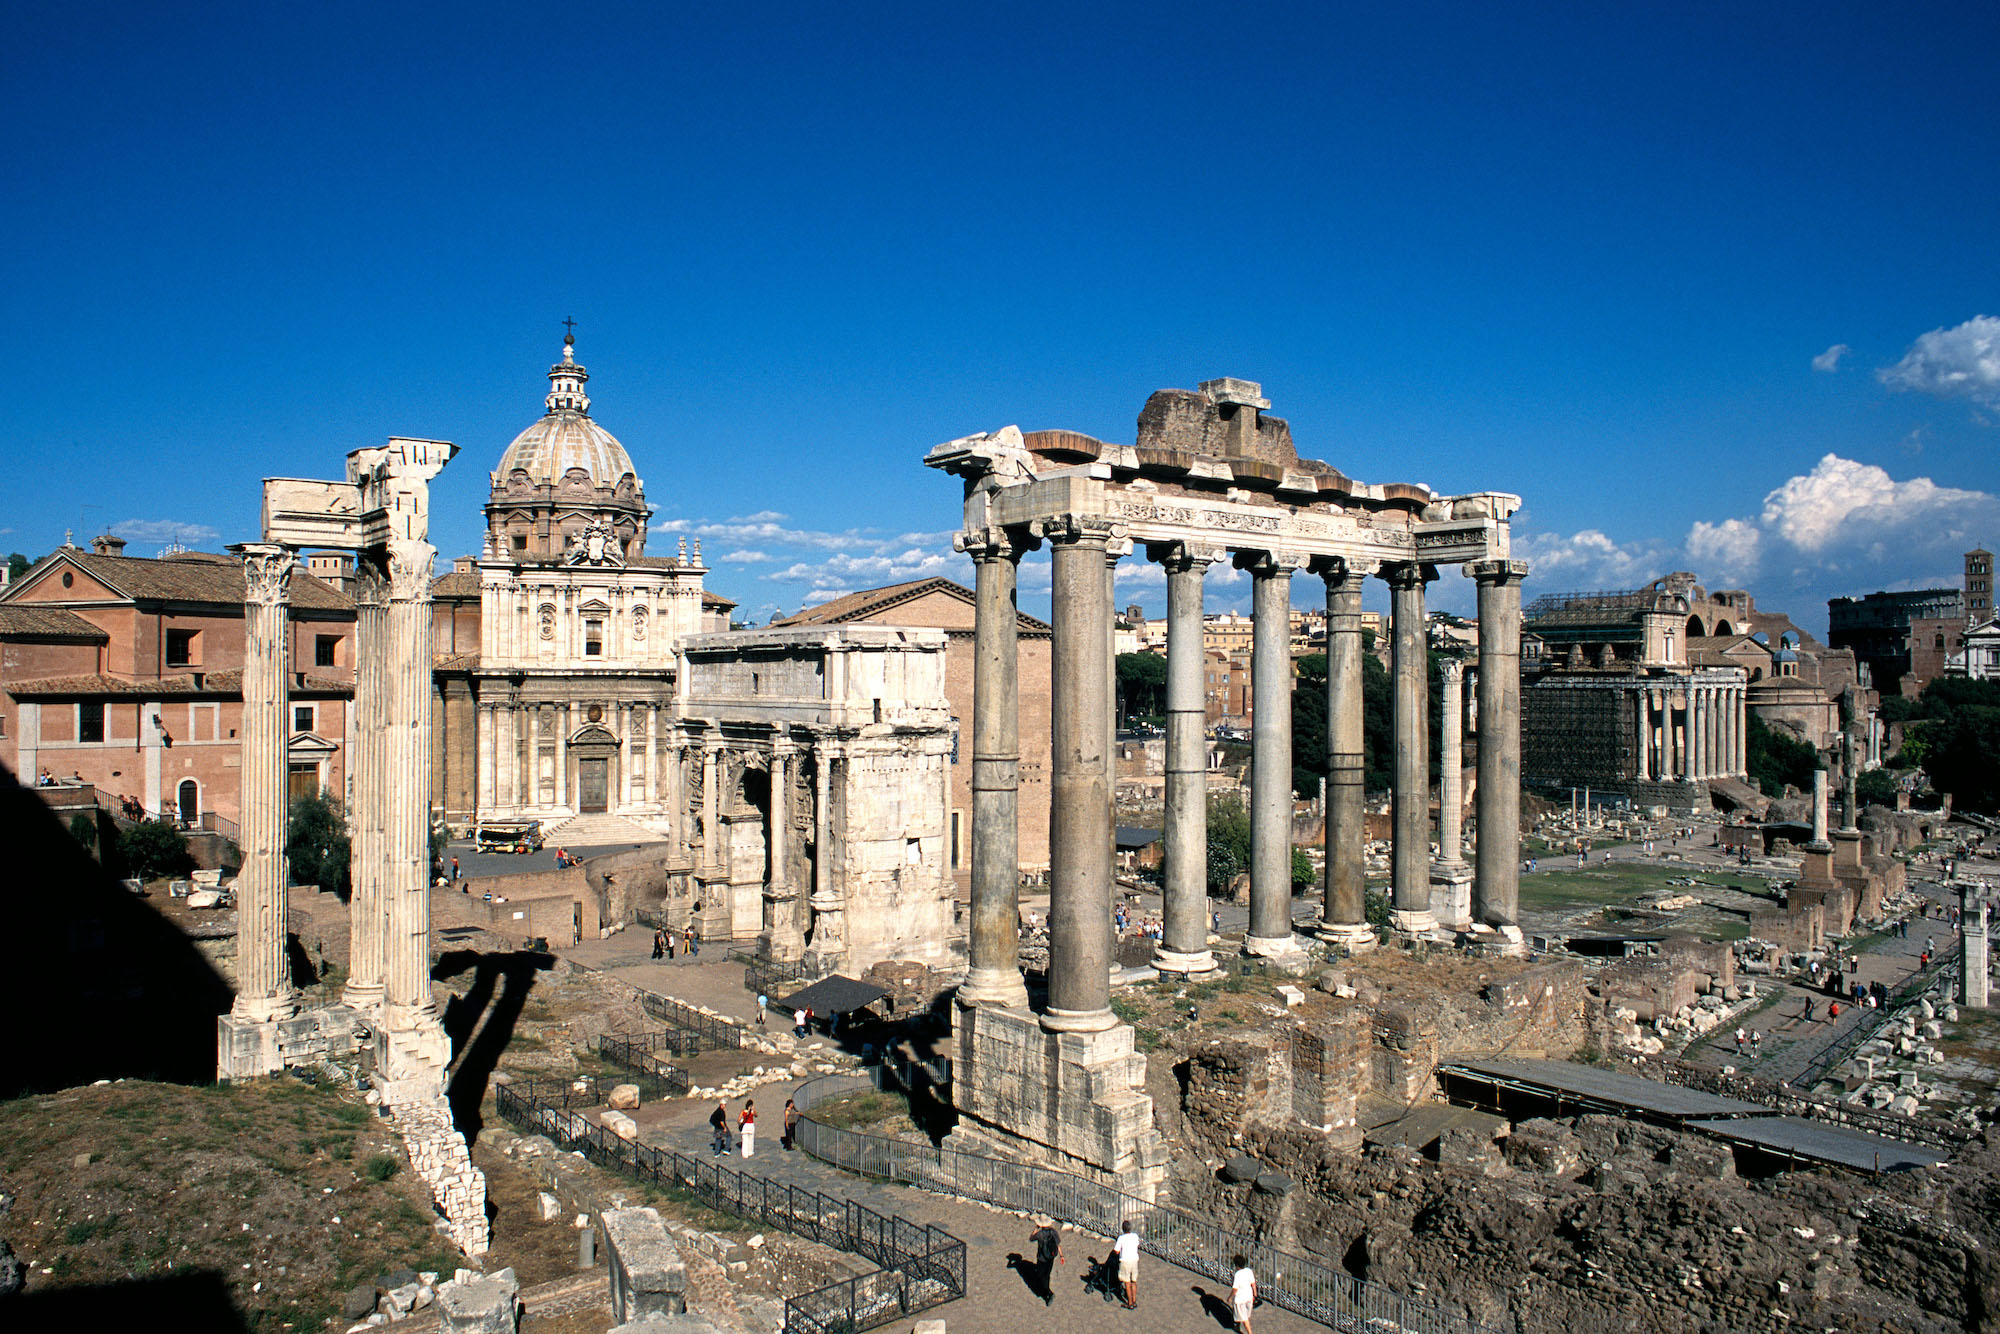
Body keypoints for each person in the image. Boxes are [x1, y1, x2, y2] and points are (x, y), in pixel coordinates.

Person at [1028, 1216, 1063, 1306]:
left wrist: (1036, 1228)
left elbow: (1031, 1238)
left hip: (1042, 1258)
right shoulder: (1054, 1232)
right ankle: (1047, 1291)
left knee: (1041, 1275)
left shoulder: (1040, 1234)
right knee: (1047, 1275)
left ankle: (1048, 1293)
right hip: (1050, 1258)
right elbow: (1058, 1244)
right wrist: (1061, 1256)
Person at [1114, 1219, 1140, 1310]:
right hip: (1134, 1260)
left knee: (1127, 1282)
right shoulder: (1135, 1236)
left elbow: (1116, 1251)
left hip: (1125, 1261)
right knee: (1134, 1281)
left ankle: (1129, 1302)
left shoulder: (1121, 1238)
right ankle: (1134, 1300)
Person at [1231, 1254, 1258, 1334]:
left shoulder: (1238, 1275)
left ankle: (1249, 1332)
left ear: (1236, 1265)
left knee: (1244, 1318)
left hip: (1240, 1299)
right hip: (1249, 1297)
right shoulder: (1249, 1271)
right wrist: (1255, 1295)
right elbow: (1253, 1284)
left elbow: (1235, 1289)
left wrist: (1230, 1297)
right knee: (1246, 1314)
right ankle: (1238, 1325)